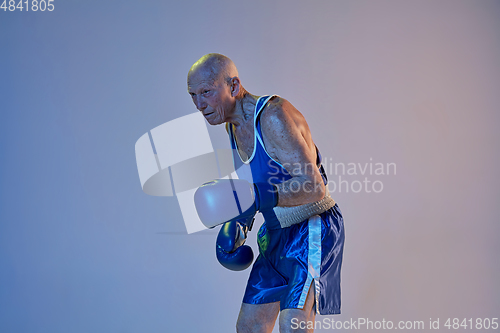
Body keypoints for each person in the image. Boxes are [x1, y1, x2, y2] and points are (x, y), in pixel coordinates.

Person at [188, 53, 345, 333]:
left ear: (233, 86)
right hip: (276, 232)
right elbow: (255, 184)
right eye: (193, 95)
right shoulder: (232, 127)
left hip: (311, 227)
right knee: (250, 327)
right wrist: (237, 222)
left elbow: (315, 187)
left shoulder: (273, 116)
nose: (200, 104)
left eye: (206, 92)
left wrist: (254, 197)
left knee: (293, 326)